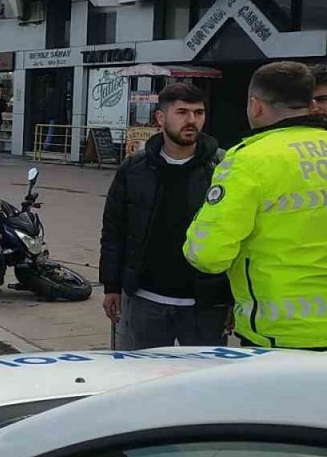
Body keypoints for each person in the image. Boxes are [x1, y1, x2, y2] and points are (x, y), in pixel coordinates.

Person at [185, 61, 327, 350]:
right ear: (311, 104)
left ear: (255, 106)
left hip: (282, 333)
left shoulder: (248, 160)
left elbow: (207, 254)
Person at [99, 83, 232, 350]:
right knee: (139, 371)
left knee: (204, 374)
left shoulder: (224, 168)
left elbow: (237, 233)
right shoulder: (134, 168)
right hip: (145, 299)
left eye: (199, 113)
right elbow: (114, 230)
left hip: (205, 303)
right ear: (160, 118)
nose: (192, 120)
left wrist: (232, 298)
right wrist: (111, 286)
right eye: (182, 112)